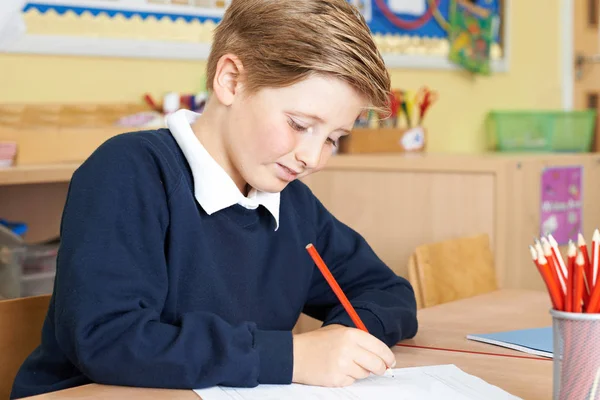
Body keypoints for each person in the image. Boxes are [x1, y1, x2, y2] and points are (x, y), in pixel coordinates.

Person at [11, 0, 418, 398]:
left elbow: (388, 293)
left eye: (332, 138)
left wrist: (344, 339)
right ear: (230, 81)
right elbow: (107, 339)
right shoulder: (129, 171)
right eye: (299, 124)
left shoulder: (292, 205)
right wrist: (290, 357)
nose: (312, 157)